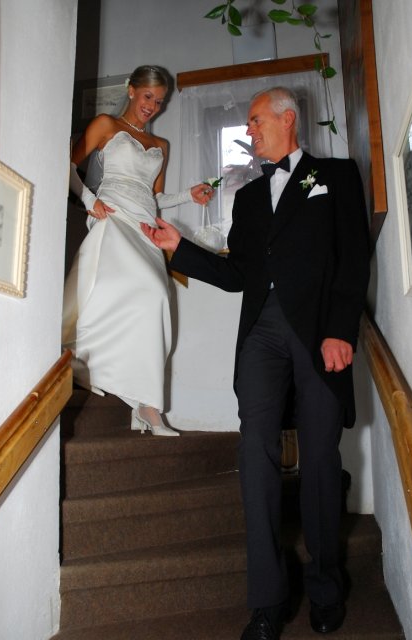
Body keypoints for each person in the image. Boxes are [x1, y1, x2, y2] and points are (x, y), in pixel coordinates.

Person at [141, 87, 370, 638]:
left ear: (288, 119)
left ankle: (325, 587)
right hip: (261, 336)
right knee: (255, 454)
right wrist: (180, 248)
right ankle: (267, 602)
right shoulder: (247, 197)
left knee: (319, 459)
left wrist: (341, 330)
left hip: (318, 333)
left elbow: (353, 257)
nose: (249, 130)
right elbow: (238, 274)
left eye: (255, 120)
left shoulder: (335, 175)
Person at [62, 65, 214, 436]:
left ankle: (147, 405)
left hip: (146, 228)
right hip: (113, 217)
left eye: (159, 101)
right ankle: (81, 359)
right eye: (148, 97)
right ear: (131, 90)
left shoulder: (162, 146)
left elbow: (155, 197)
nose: (152, 106)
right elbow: (66, 164)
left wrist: (189, 195)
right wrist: (88, 200)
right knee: (111, 290)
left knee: (156, 297)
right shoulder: (105, 125)